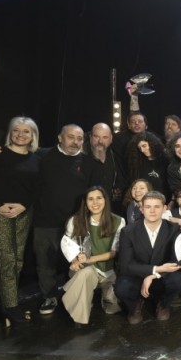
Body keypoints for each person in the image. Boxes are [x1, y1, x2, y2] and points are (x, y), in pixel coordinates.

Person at [0, 116, 41, 326]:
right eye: (16, 131)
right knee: (6, 260)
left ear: (33, 136)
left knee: (18, 260)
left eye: (26, 131)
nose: (21, 135)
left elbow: (37, 190)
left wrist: (24, 205)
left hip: (23, 212)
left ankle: (10, 301)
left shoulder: (36, 159)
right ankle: (11, 307)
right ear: (10, 133)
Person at [33, 124, 103, 315]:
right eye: (70, 137)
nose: (75, 142)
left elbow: (94, 193)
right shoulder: (42, 157)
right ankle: (49, 297)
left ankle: (75, 297)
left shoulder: (89, 163)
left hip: (77, 224)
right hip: (45, 221)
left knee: (78, 261)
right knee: (45, 263)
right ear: (59, 138)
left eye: (79, 138)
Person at [114, 190, 181, 324]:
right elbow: (125, 265)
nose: (152, 211)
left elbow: (177, 260)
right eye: (148, 207)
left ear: (164, 208)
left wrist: (154, 275)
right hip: (137, 274)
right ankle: (135, 306)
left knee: (179, 280)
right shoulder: (128, 231)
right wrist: (154, 269)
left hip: (163, 275)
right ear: (141, 209)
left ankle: (163, 305)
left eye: (157, 206)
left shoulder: (174, 229)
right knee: (121, 287)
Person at [60, 187, 125, 324]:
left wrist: (90, 258)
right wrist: (74, 260)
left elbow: (114, 252)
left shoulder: (118, 221)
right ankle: (82, 310)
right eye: (90, 199)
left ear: (105, 200)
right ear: (85, 202)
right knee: (86, 273)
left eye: (99, 198)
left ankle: (105, 296)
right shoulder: (75, 221)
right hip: (87, 269)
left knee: (112, 308)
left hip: (109, 271)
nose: (95, 202)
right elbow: (67, 244)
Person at [88, 123, 128, 215]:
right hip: (87, 211)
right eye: (96, 136)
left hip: (110, 211)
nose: (100, 141)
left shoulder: (116, 157)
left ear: (111, 139)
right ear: (90, 137)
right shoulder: (81, 157)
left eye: (105, 137)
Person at [126, 131, 169, 199]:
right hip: (144, 203)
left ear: (152, 143)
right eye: (140, 148)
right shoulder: (138, 164)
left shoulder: (166, 160)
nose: (142, 150)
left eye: (144, 146)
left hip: (164, 201)